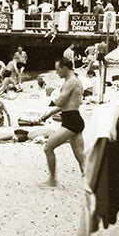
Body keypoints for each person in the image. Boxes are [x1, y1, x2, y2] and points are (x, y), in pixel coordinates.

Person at [40, 57, 86, 186]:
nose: (56, 73)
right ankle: (90, 182)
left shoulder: (71, 82)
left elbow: (61, 102)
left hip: (70, 122)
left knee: (48, 148)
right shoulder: (73, 80)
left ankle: (52, 180)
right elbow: (66, 105)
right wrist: (50, 113)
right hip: (74, 119)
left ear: (65, 68)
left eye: (58, 70)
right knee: (80, 156)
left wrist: (52, 99)